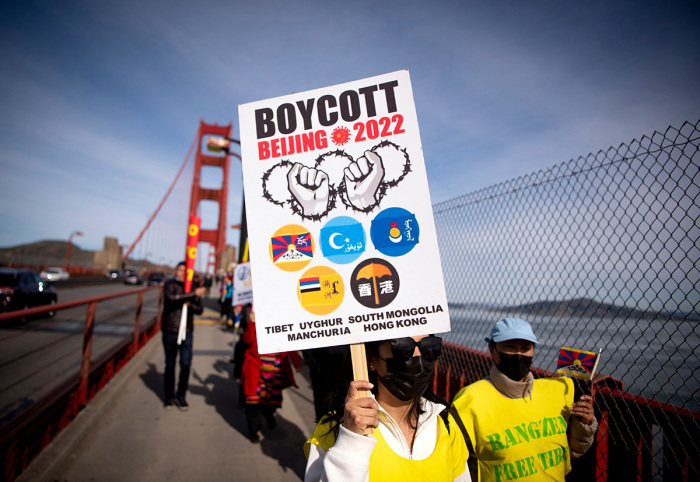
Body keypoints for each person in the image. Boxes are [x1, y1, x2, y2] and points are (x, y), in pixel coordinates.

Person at [304, 335, 471, 481]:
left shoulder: (445, 424)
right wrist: (350, 440)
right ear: (371, 359)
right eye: (402, 347)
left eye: (429, 346)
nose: (418, 356)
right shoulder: (335, 428)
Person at [451, 318, 598, 481]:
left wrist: (583, 425)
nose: (519, 355)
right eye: (510, 347)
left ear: (533, 350)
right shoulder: (470, 400)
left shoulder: (559, 391)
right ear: (492, 349)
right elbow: (454, 463)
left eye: (525, 348)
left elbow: (573, 451)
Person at [240, 305, 299, 442]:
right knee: (253, 402)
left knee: (270, 399)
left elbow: (290, 339)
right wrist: (252, 322)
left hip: (274, 367)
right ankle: (254, 431)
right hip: (255, 367)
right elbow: (247, 340)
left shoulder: (282, 317)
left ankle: (269, 414)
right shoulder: (254, 316)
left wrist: (296, 362)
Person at [161, 261, 206, 411]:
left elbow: (199, 309)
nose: (182, 273)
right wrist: (193, 295)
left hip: (187, 332)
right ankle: (169, 396)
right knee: (170, 365)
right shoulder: (169, 285)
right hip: (170, 330)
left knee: (186, 365)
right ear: (176, 271)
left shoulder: (193, 287)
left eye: (185, 271)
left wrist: (189, 303)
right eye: (180, 270)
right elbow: (172, 299)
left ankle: (181, 395)